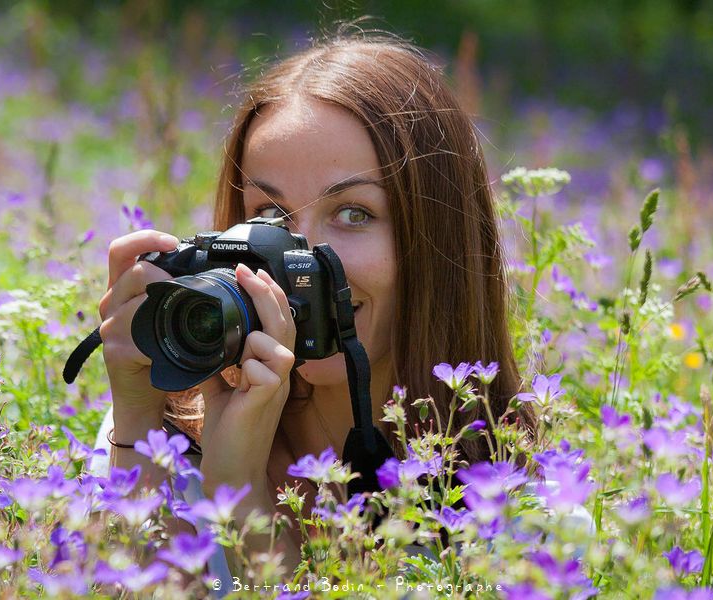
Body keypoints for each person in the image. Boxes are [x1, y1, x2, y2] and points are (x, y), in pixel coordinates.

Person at [91, 31, 535, 586]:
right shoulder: (165, 439)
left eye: (354, 213)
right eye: (271, 215)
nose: (298, 261)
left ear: (438, 245)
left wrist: (244, 500)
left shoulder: (511, 501)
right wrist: (136, 416)